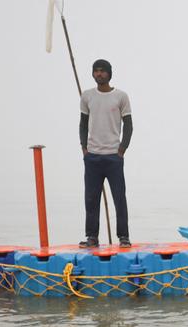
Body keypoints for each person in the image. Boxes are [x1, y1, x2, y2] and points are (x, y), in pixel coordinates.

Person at [79, 59, 133, 248]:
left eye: (103, 71)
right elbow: (83, 124)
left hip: (113, 156)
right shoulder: (87, 96)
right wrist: (84, 148)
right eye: (96, 71)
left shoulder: (121, 96)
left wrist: (122, 148)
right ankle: (92, 237)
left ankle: (123, 236)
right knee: (91, 198)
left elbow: (129, 125)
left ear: (109, 73)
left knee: (119, 197)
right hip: (92, 155)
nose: (99, 74)